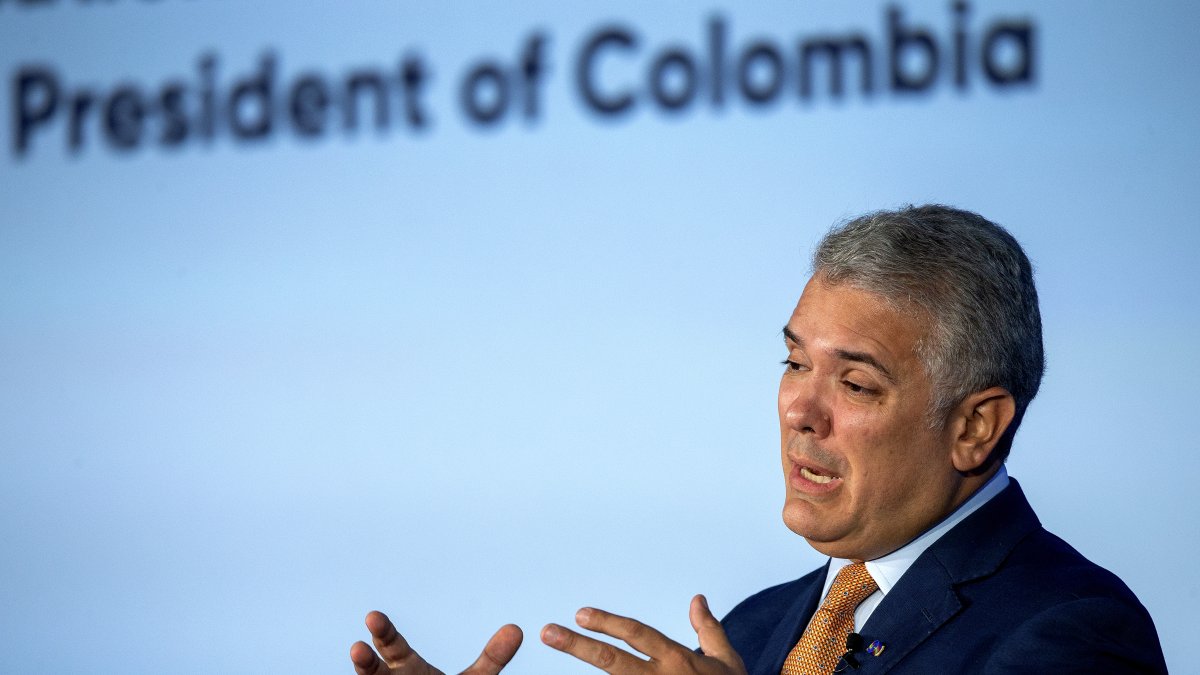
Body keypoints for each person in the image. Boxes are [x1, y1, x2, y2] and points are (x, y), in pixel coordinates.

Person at [349, 205, 1166, 674]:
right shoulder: (755, 628)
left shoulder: (1074, 633)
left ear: (973, 425)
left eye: (855, 383)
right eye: (794, 362)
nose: (799, 409)